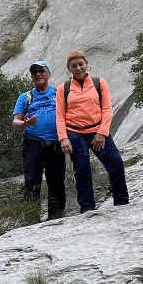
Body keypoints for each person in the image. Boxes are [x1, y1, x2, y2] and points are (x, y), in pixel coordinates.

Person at [56, 50, 129, 213]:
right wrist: (63, 138)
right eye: (74, 66)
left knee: (115, 164)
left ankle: (122, 202)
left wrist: (103, 132)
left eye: (81, 64)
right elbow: (60, 115)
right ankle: (87, 208)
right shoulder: (64, 88)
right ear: (69, 69)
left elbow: (107, 108)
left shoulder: (99, 82)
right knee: (82, 169)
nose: (78, 68)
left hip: (97, 130)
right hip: (74, 133)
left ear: (87, 64)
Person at [13, 61, 66, 218]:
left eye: (41, 71)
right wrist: (26, 123)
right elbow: (16, 122)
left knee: (56, 182)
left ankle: (56, 218)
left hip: (56, 142)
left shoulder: (59, 93)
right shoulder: (25, 97)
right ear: (31, 77)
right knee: (32, 182)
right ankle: (31, 220)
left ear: (48, 73)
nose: (38, 74)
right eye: (34, 72)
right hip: (33, 143)